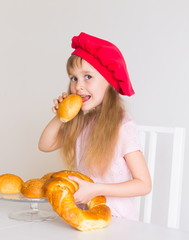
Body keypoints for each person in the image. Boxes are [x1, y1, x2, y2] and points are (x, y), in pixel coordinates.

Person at [38, 32, 151, 220]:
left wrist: (97, 189)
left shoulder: (123, 126)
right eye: (73, 78)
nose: (78, 86)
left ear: (109, 82)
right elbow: (44, 145)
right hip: (84, 214)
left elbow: (143, 184)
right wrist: (60, 116)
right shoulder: (83, 121)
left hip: (116, 219)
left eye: (87, 76)